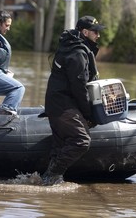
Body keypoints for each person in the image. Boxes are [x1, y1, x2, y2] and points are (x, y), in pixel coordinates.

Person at [42, 15, 105, 185]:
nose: (98, 36)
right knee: (81, 140)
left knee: (60, 144)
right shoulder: (77, 53)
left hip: (57, 103)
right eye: (95, 32)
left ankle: (47, 183)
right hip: (63, 105)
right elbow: (80, 88)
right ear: (85, 32)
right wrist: (88, 114)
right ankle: (52, 175)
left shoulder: (72, 46)